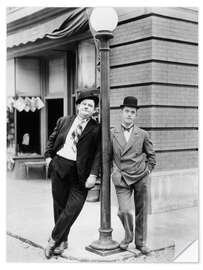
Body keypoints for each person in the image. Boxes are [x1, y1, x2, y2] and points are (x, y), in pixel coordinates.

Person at [44, 90, 101, 259]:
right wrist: (48, 159)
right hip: (59, 167)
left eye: (90, 105)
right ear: (78, 106)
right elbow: (52, 140)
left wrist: (93, 175)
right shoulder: (64, 121)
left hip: (80, 174)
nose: (87, 107)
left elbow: (98, 154)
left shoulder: (96, 129)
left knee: (72, 209)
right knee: (59, 206)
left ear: (94, 110)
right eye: (84, 104)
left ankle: (53, 239)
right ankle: (63, 241)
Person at [111, 96, 156, 255]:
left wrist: (147, 172)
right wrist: (113, 171)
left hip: (140, 177)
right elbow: (106, 156)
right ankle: (128, 235)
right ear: (121, 112)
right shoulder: (112, 133)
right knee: (123, 211)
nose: (130, 114)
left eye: (133, 112)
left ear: (136, 115)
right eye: (127, 111)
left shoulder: (143, 134)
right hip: (122, 178)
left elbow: (152, 157)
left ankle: (141, 242)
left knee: (141, 211)